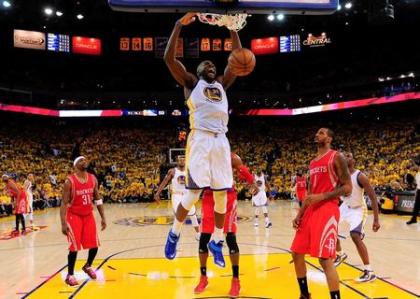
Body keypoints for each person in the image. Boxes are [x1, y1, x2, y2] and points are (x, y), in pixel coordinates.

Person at [163, 12, 244, 267]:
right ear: (198, 71)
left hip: (221, 140)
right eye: (205, 65)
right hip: (199, 139)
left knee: (222, 194)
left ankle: (217, 242)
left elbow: (237, 59)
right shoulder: (190, 83)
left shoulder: (222, 83)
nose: (211, 66)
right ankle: (174, 233)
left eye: (213, 65)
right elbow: (169, 58)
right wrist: (178, 25)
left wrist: (232, 28)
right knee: (193, 193)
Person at [290, 128, 352, 299]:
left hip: (327, 209)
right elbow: (310, 194)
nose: (317, 135)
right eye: (317, 133)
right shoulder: (312, 162)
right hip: (311, 210)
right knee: (296, 252)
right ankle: (304, 294)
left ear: (330, 138)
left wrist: (323, 196)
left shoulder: (336, 156)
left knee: (325, 260)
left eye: (322, 133)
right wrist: (299, 215)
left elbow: (347, 187)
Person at [194, 153, 255, 298]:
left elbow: (242, 169)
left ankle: (235, 280)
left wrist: (252, 183)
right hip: (209, 197)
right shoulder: (203, 156)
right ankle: (203, 277)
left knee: (231, 238)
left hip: (228, 197)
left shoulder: (232, 157)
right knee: (204, 238)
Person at [60, 156, 107, 286]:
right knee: (74, 247)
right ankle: (70, 275)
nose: (84, 161)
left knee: (94, 245)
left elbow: (98, 199)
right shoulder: (69, 181)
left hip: (88, 215)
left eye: (85, 160)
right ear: (75, 165)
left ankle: (87, 266)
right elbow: (64, 203)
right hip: (74, 216)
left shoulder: (92, 179)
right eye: (81, 160)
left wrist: (103, 217)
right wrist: (63, 223)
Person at [334, 152, 380, 282]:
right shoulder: (339, 175)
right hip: (345, 206)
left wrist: (376, 219)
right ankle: (340, 255)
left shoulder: (360, 176)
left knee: (355, 236)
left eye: (348, 156)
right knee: (331, 227)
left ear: (353, 160)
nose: (345, 158)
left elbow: (373, 196)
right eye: (343, 156)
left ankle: (369, 271)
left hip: (358, 208)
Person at [154, 156, 200, 241]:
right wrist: (157, 193)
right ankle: (175, 239)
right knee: (178, 217)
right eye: (180, 160)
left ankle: (198, 234)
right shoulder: (172, 171)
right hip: (176, 196)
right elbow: (164, 182)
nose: (182, 161)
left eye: (183, 159)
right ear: (177, 161)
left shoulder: (189, 171)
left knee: (193, 215)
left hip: (187, 195)